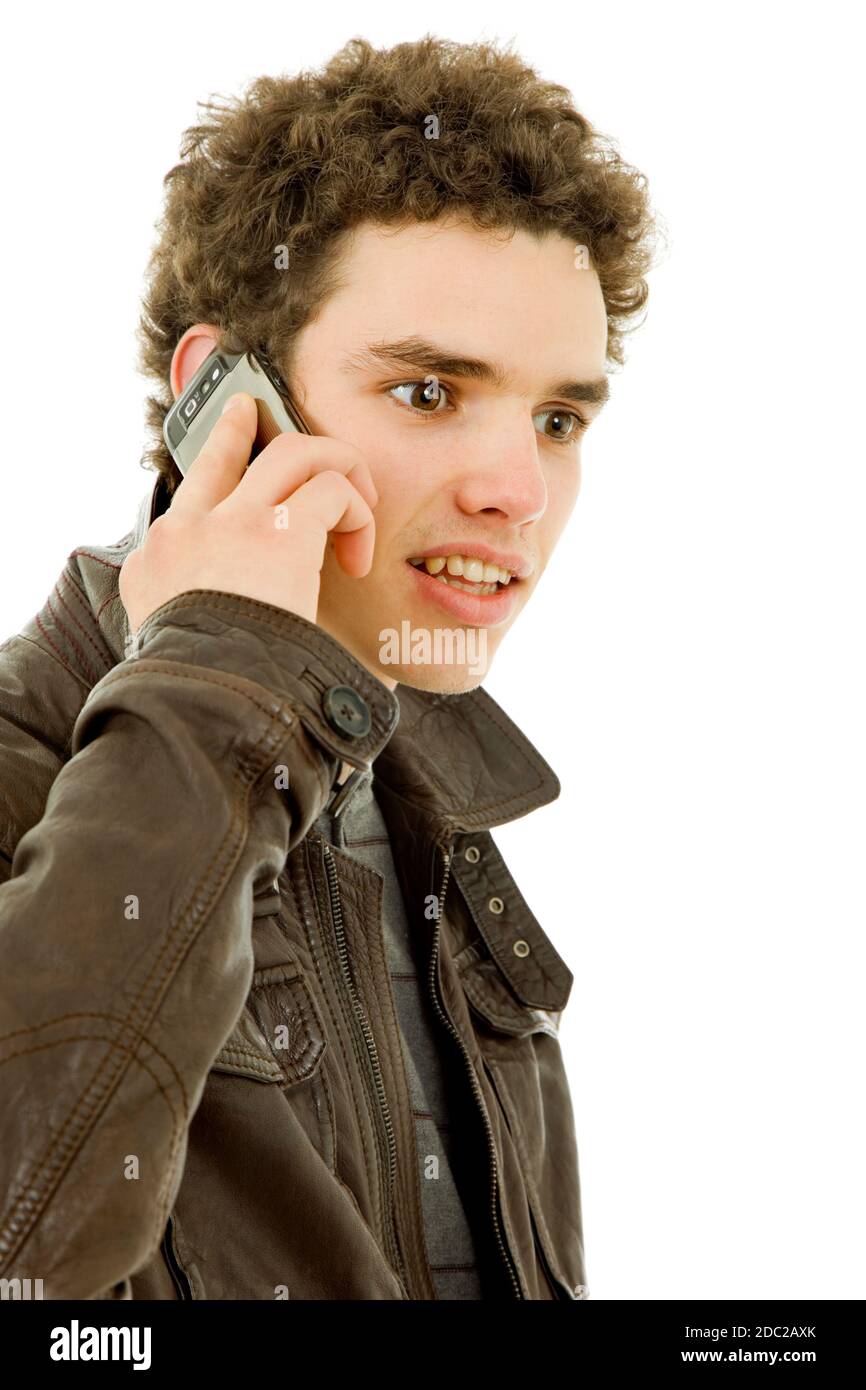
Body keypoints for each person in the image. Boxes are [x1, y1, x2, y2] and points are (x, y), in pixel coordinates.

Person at [0, 34, 656, 1300]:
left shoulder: (424, 799)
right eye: (425, 393)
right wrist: (215, 677)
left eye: (558, 419)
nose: (517, 488)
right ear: (225, 404)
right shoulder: (40, 763)